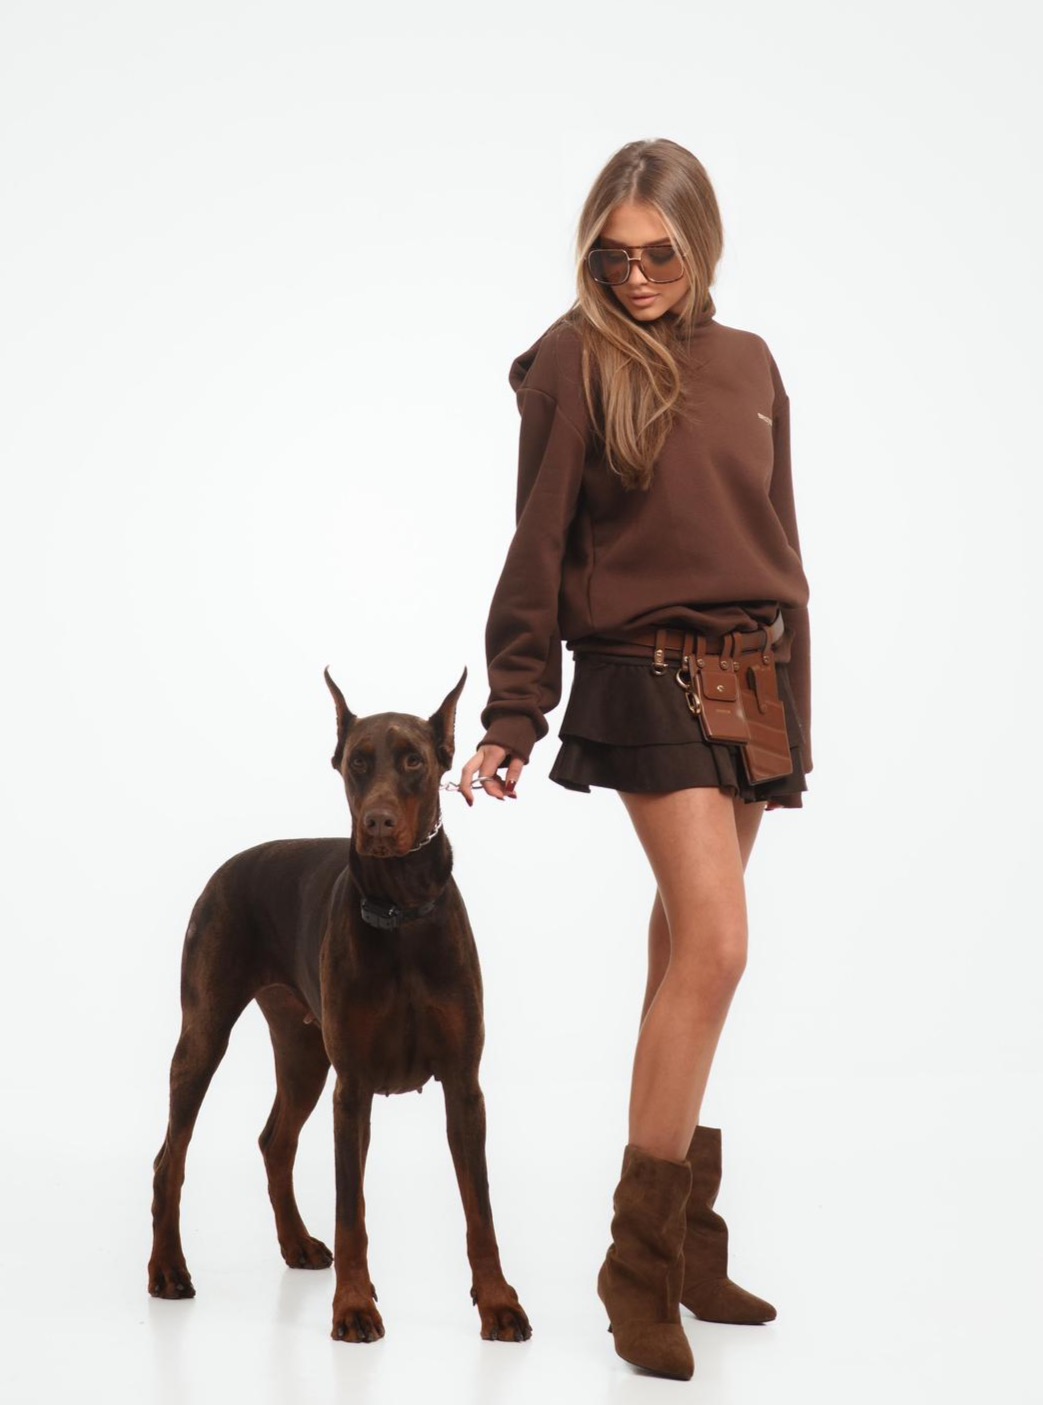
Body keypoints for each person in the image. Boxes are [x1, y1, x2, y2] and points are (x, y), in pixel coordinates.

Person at [458, 137, 812, 1381]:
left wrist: (793, 710)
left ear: (698, 244)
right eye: (612, 257)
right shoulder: (573, 359)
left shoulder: (750, 362)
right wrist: (514, 712)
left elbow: (778, 548)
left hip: (752, 675)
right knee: (716, 944)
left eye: (658, 254)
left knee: (681, 954)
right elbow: (537, 542)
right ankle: (636, 1264)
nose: (637, 276)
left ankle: (690, 1243)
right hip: (643, 669)